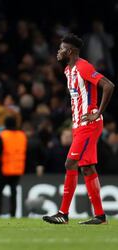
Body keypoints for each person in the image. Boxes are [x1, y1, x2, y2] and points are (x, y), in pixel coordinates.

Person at [43, 34, 115, 225]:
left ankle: (63, 213)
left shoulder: (84, 67)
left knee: (70, 163)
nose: (59, 51)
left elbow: (108, 86)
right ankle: (100, 216)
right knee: (87, 167)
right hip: (78, 125)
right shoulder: (68, 70)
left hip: (88, 124)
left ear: (71, 51)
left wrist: (97, 112)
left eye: (62, 48)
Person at [0, 116, 27, 217]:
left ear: (5, 124)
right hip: (17, 169)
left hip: (3, 169)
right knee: (14, 193)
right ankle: (13, 214)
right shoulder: (22, 135)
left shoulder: (3, 135)